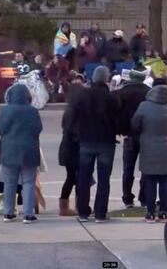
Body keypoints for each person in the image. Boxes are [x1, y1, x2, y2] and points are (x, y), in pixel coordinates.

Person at [71, 66, 119, 223]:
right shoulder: (111, 98)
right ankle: (100, 213)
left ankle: (83, 211)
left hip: (86, 141)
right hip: (106, 142)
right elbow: (118, 120)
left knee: (84, 177)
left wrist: (77, 134)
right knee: (104, 179)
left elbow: (74, 118)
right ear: (106, 78)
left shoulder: (82, 96)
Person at [132, 80, 167, 223]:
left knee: (150, 180)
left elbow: (135, 125)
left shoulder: (144, 106)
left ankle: (149, 212)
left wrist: (141, 136)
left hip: (148, 144)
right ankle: (163, 212)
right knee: (166, 181)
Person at [0, 84, 43, 224]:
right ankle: (28, 214)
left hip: (9, 150)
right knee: (28, 182)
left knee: (10, 183)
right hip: (29, 151)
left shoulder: (6, 111)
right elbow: (38, 128)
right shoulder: (33, 111)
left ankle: (8, 213)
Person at [114, 69, 151, 208]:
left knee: (128, 168)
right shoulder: (149, 92)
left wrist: (119, 129)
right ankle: (144, 197)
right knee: (146, 168)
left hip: (129, 134)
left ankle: (127, 197)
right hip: (146, 133)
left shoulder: (122, 92)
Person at [58, 81, 86, 216]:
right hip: (74, 148)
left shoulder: (69, 109)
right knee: (76, 178)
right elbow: (74, 131)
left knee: (72, 177)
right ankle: (77, 206)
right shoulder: (76, 111)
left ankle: (67, 205)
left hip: (67, 148)